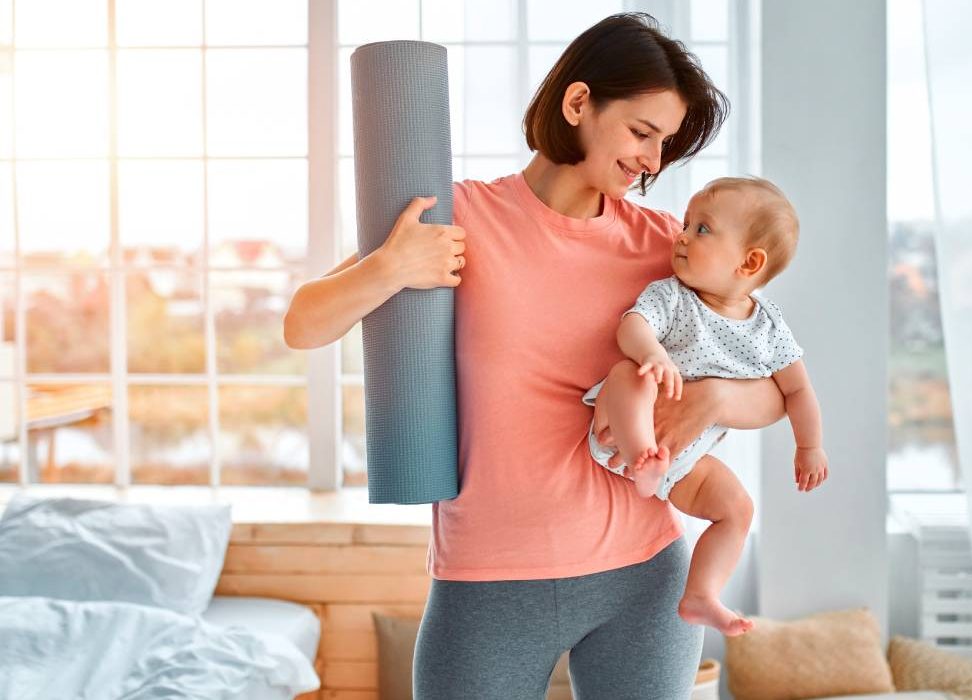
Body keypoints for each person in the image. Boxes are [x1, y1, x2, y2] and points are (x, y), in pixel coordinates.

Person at [283, 13, 789, 700]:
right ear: (578, 103)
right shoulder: (462, 219)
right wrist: (391, 267)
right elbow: (303, 326)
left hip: (645, 574)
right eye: (642, 132)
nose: (651, 161)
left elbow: (777, 384)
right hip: (488, 581)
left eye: (665, 144)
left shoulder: (667, 246)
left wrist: (717, 398)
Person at [582, 176, 828, 638]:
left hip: (685, 461)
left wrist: (809, 447)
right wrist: (652, 353)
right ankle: (641, 459)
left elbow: (796, 391)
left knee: (737, 509)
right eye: (688, 223)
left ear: (749, 262)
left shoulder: (769, 326)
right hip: (624, 427)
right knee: (627, 374)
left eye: (702, 229)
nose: (682, 234)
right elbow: (633, 326)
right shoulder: (673, 296)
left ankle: (702, 594)